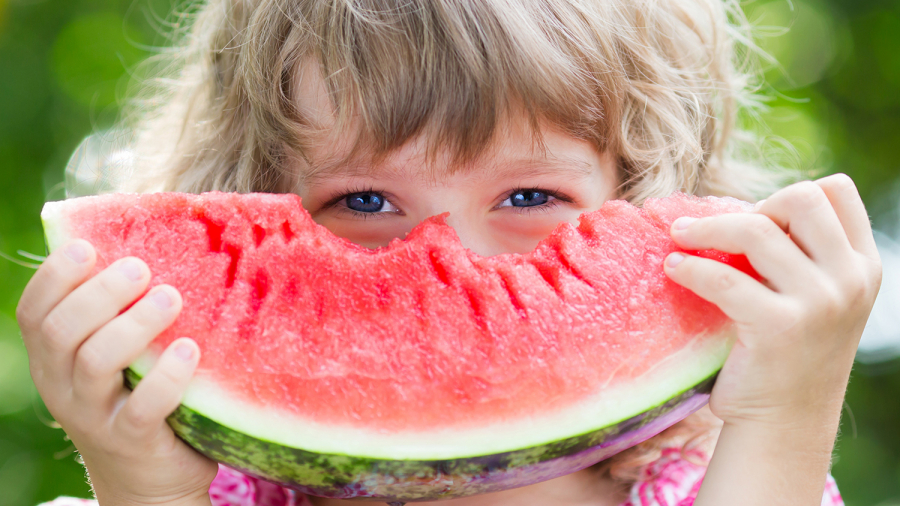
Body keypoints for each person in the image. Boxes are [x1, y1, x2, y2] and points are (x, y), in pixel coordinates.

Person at [16, 0, 881, 505]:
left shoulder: (710, 480)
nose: (451, 257)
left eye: (530, 197)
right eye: (364, 200)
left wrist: (784, 420)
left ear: (645, 195)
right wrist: (142, 484)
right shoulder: (234, 489)